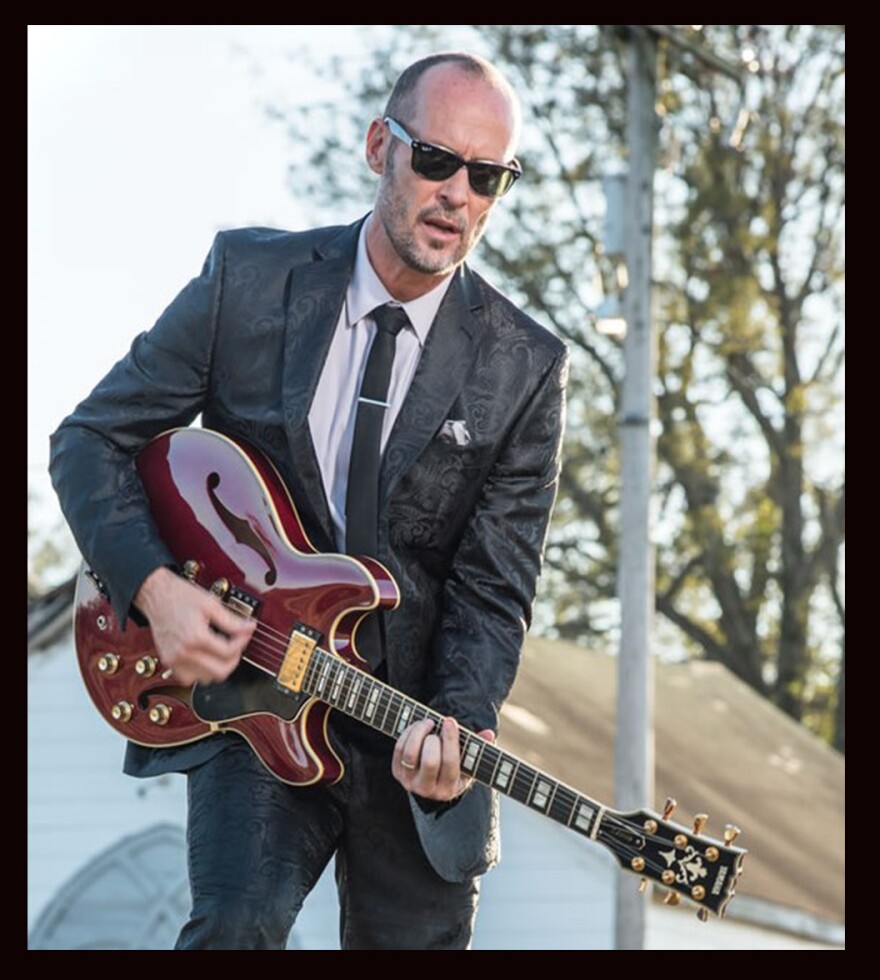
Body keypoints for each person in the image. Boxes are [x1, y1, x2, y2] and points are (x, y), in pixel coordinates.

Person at [50, 51, 569, 950]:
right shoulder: (247, 280)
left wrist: (460, 727)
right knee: (236, 927)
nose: (458, 195)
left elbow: (495, 589)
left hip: (408, 729)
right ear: (380, 145)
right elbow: (91, 440)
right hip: (249, 694)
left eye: (487, 177)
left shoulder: (525, 367)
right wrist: (155, 590)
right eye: (437, 161)